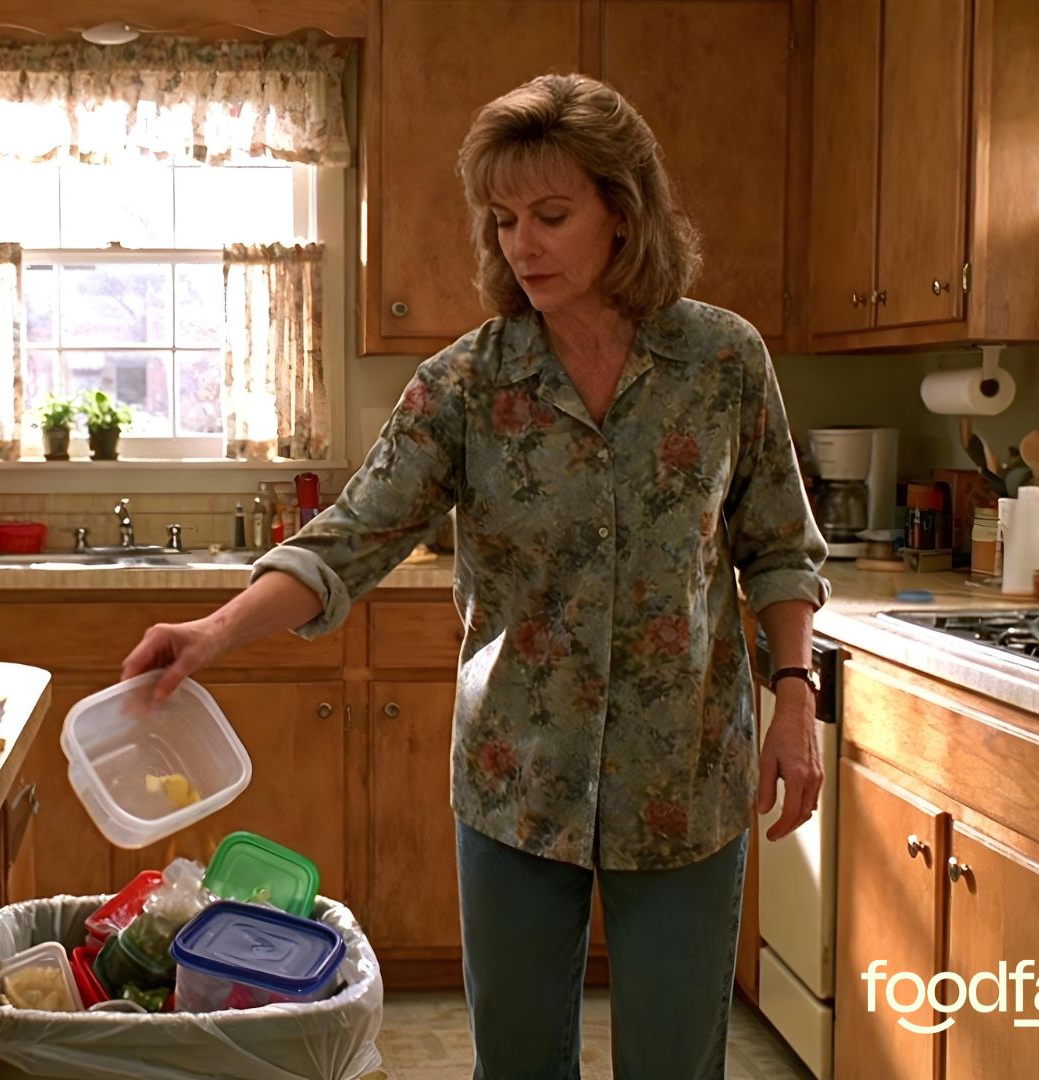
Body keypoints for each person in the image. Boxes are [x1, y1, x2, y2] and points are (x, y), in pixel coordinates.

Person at [120, 72, 829, 1079]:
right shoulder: (465, 384)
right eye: (502, 221)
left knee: (678, 1060)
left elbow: (779, 545)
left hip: (687, 773)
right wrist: (214, 633)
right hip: (515, 781)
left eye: (551, 215)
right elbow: (352, 535)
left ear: (622, 214)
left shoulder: (721, 363)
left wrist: (794, 693)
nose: (522, 246)